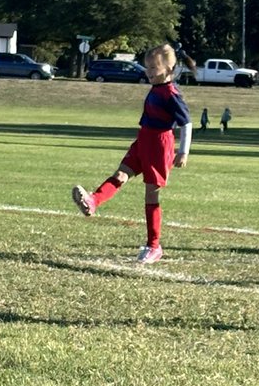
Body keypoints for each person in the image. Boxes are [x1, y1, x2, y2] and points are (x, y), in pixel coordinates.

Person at [71, 42, 192, 265]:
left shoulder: (171, 93)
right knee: (120, 175)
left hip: (160, 144)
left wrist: (183, 152)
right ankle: (93, 201)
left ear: (168, 68)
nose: (148, 72)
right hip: (143, 140)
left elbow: (187, 123)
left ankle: (154, 246)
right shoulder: (156, 88)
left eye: (153, 68)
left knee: (151, 195)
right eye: (147, 67)